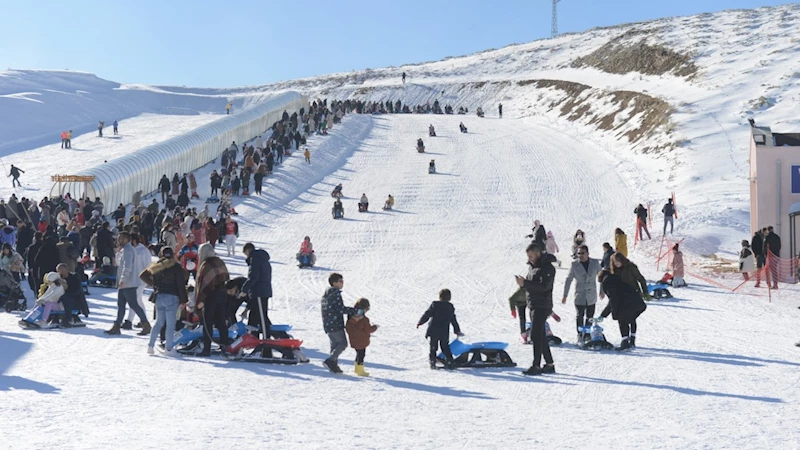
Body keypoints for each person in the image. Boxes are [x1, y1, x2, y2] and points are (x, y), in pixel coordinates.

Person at [516, 242, 556, 376]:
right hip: (533, 304)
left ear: (538, 254)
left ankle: (536, 365)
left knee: (535, 335)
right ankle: (549, 364)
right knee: (540, 335)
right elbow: (532, 285)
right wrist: (523, 284)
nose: (529, 259)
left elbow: (544, 286)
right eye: (528, 256)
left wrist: (526, 283)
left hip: (542, 305)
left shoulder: (547, 268)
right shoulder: (532, 267)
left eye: (531, 256)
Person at [140, 247, 189, 356]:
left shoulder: (156, 266)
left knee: (159, 322)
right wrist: (183, 300)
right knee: (170, 325)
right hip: (172, 297)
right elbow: (181, 283)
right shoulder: (176, 266)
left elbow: (142, 275)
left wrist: (154, 285)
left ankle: (150, 346)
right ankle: (168, 349)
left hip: (159, 296)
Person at [105, 232, 151, 336]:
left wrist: (123, 279)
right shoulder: (126, 249)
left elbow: (128, 266)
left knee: (133, 304)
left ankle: (146, 324)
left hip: (128, 283)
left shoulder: (128, 250)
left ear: (126, 239)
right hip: (126, 283)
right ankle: (117, 326)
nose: (118, 240)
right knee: (121, 305)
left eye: (120, 238)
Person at [194, 243, 231, 356]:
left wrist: (200, 300)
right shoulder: (220, 262)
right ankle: (225, 346)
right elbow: (226, 276)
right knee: (221, 322)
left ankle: (206, 349)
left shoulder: (206, 265)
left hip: (211, 297)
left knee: (207, 323)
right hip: (223, 294)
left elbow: (203, 285)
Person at [598, 270, 647, 350]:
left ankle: (625, 343)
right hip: (639, 304)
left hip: (629, 304)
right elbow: (614, 299)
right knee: (630, 319)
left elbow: (613, 299)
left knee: (622, 320)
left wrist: (612, 314)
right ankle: (631, 341)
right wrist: (603, 314)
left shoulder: (607, 283)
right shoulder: (617, 280)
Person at [562, 244, 603, 341]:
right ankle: (580, 334)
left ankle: (588, 334)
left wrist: (602, 290)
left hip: (591, 295)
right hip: (580, 295)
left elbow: (601, 277)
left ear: (588, 253)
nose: (580, 255)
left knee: (590, 316)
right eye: (579, 253)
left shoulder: (595, 263)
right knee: (579, 315)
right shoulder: (574, 265)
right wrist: (565, 295)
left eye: (582, 253)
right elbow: (568, 280)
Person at [321, 272, 359, 373]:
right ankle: (330, 361)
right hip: (335, 323)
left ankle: (333, 365)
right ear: (334, 283)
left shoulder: (327, 294)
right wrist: (355, 311)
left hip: (327, 324)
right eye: (340, 281)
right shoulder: (335, 293)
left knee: (335, 345)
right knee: (342, 343)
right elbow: (340, 309)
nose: (342, 283)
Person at [417, 288, 463, 370]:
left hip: (433, 330)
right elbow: (453, 320)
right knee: (445, 347)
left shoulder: (435, 305)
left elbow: (427, 314)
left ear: (440, 297)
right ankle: (450, 362)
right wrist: (457, 330)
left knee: (433, 347)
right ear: (449, 297)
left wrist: (420, 322)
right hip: (443, 331)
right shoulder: (450, 307)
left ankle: (432, 363)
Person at [241, 243, 272, 341]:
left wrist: (244, 290)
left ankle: (266, 340)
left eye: (245, 253)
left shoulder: (255, 259)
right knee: (255, 315)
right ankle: (253, 339)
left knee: (261, 317)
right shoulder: (262, 259)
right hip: (262, 291)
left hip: (259, 291)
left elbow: (253, 277)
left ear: (248, 250)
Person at [345, 298, 378, 376]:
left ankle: (357, 369)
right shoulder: (364, 320)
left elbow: (348, 328)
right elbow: (368, 330)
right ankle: (360, 370)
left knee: (358, 354)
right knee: (361, 355)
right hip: (362, 341)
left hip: (354, 340)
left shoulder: (350, 318)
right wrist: (375, 327)